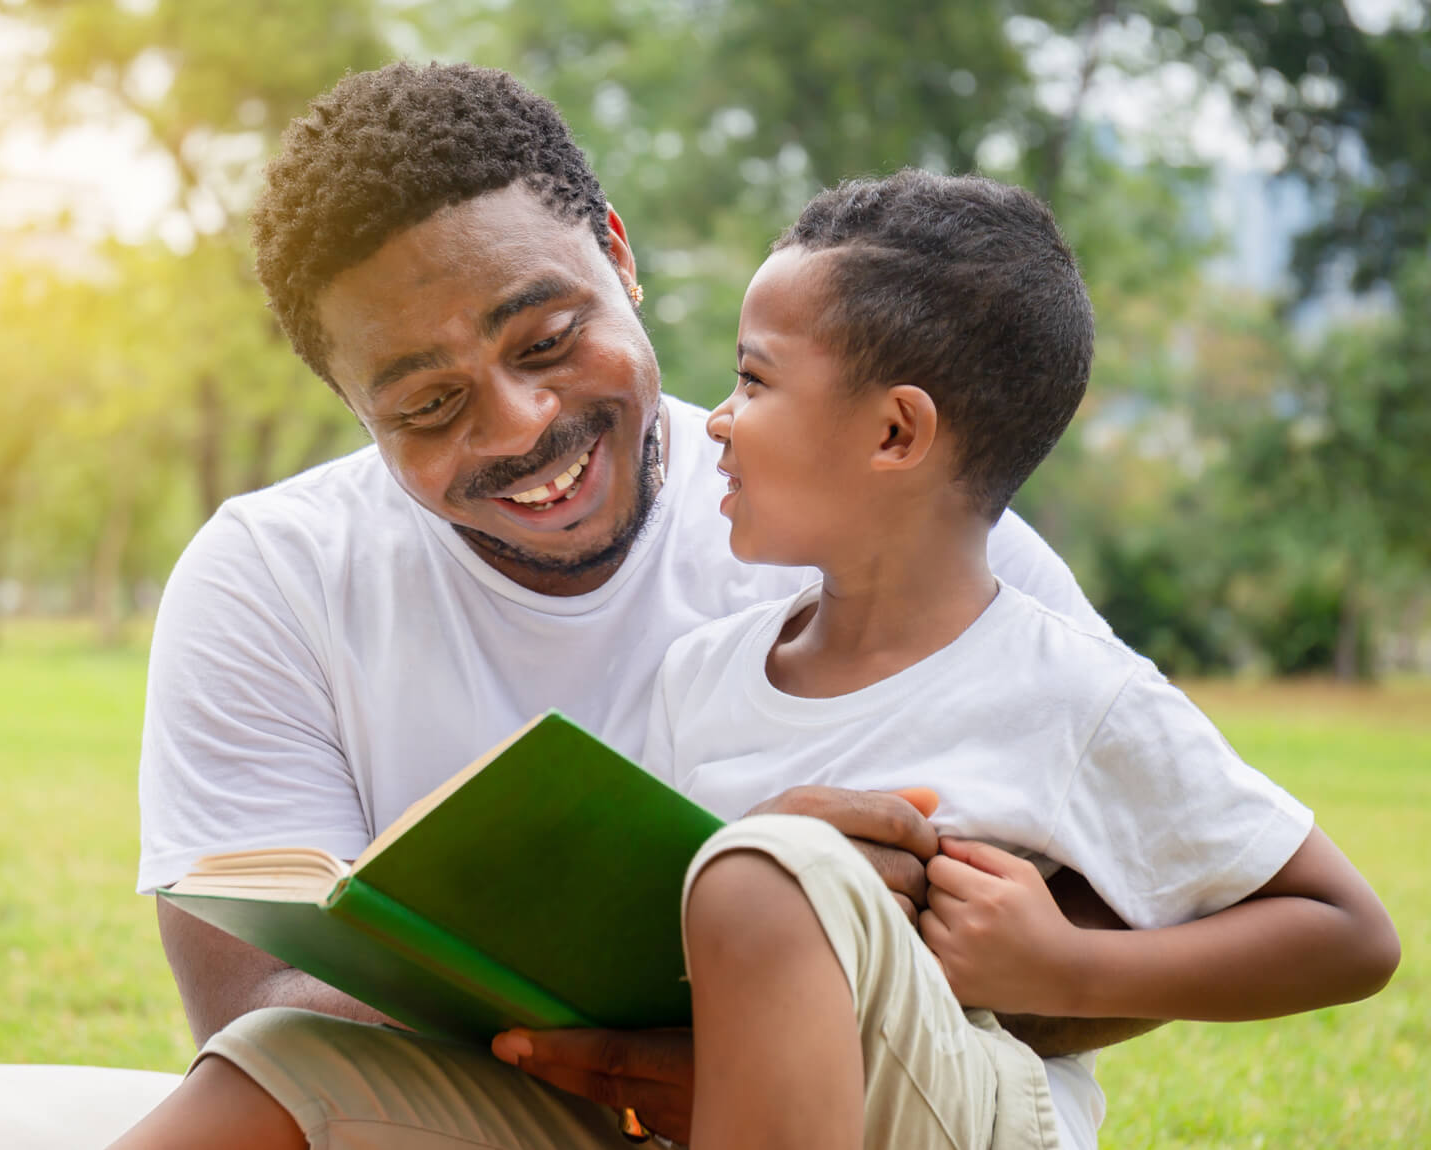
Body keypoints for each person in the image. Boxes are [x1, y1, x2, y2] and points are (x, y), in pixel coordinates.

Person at [117, 63, 1153, 1150]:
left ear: (620, 254)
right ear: (352, 406)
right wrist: (675, 966)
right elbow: (257, 1010)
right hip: (533, 1102)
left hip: (876, 1100)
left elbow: (1165, 909)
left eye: (550, 340)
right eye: (428, 403)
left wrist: (805, 967)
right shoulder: (270, 575)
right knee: (267, 1073)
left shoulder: (894, 514)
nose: (520, 426)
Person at [605, 169, 1399, 1149]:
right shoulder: (701, 675)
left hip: (968, 1103)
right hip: (723, 1105)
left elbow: (1348, 932)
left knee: (773, 873)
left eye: (754, 379)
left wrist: (1063, 967)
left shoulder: (1068, 690)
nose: (717, 419)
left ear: (896, 431)